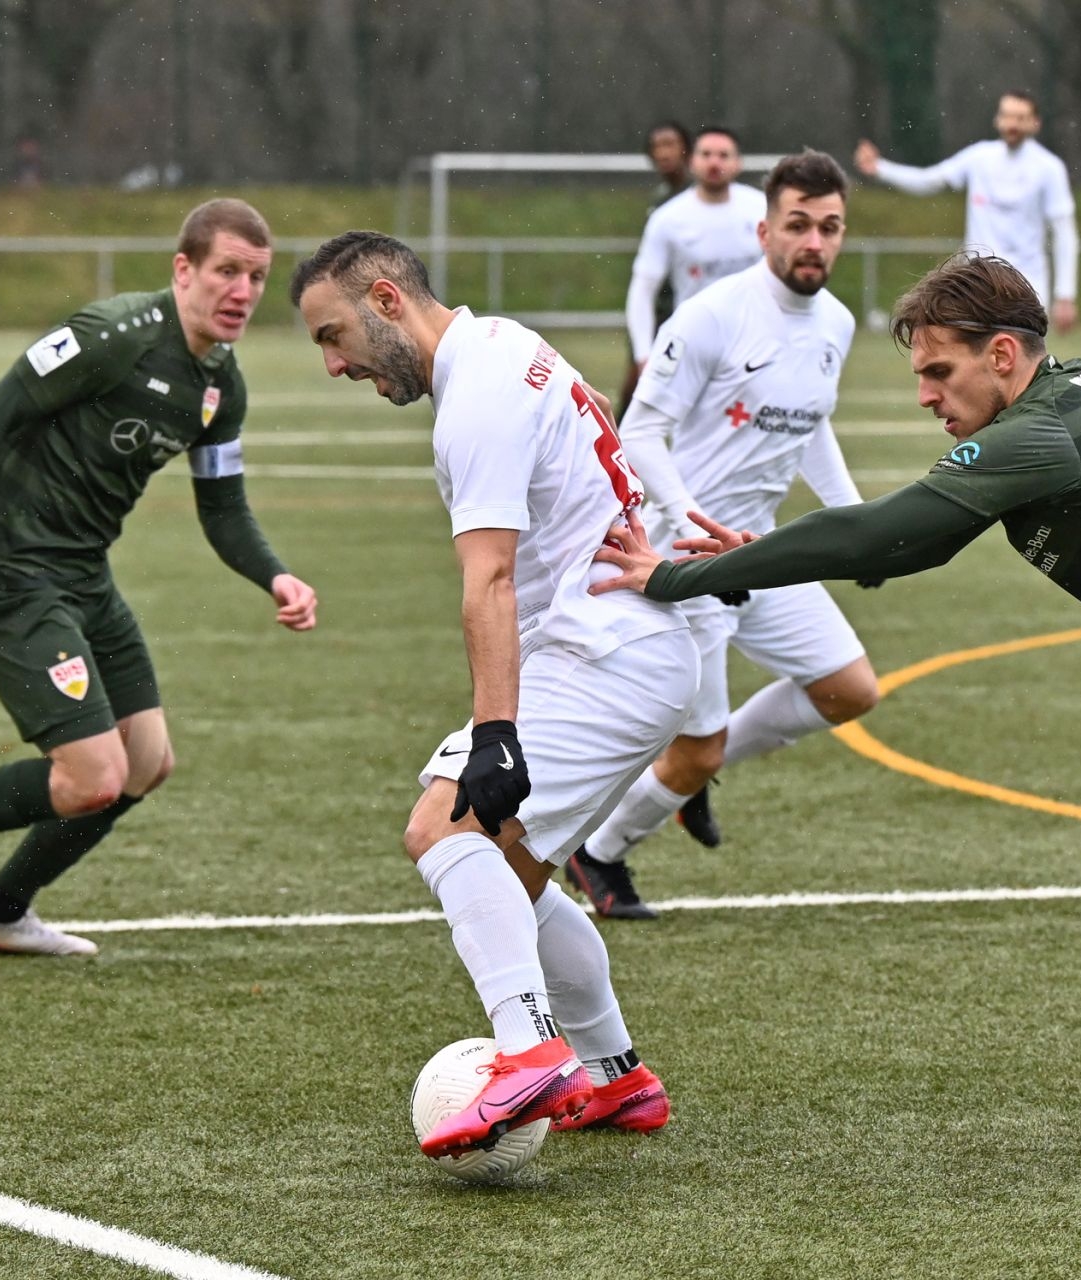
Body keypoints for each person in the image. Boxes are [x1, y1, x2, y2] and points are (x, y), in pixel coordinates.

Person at [591, 252, 1081, 1155]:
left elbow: (890, 538)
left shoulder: (1042, 433)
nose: (925, 396)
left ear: (1006, 356)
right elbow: (891, 547)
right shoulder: (1057, 409)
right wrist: (758, 555)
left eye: (940, 371)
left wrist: (680, 575)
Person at [290, 230, 699, 1149]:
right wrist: (672, 524)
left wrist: (495, 733)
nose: (332, 365)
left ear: (387, 300)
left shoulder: (473, 394)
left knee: (443, 826)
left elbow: (492, 580)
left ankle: (529, 1055)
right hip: (629, 648)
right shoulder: (508, 343)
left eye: (332, 335)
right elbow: (599, 436)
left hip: (603, 653)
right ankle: (616, 1077)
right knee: (513, 871)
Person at [0, 198, 319, 957]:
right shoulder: (113, 337)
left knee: (147, 764)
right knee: (91, 776)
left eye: (258, 277)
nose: (242, 291)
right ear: (184, 271)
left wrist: (275, 577)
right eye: (227, 271)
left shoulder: (221, 389)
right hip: (11, 569)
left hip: (83, 575)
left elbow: (225, 507)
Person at [566, 149, 881, 920]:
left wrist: (857, 523)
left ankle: (692, 778)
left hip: (761, 550)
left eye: (830, 228)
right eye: (798, 225)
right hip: (691, 557)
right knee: (692, 748)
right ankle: (599, 850)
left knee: (849, 689)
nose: (815, 242)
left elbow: (808, 427)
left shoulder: (834, 323)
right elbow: (640, 433)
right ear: (764, 228)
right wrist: (689, 526)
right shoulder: (713, 315)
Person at [855, 91, 1079, 333]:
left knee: (1021, 362)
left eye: (1020, 117)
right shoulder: (980, 158)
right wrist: (880, 169)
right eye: (1006, 116)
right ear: (997, 119)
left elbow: (1064, 232)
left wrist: (1065, 295)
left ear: (1035, 122)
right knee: (973, 361)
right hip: (978, 283)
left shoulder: (1049, 168)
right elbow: (930, 180)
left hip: (1027, 285)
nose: (1012, 124)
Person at [625, 126, 768, 379]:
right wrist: (643, 355)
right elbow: (643, 289)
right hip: (691, 347)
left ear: (738, 163)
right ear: (692, 161)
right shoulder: (667, 218)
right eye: (706, 154)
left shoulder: (762, 209)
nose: (714, 162)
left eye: (724, 155)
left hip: (755, 345)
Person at [617, 120, 694, 415]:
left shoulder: (697, 194)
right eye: (656, 147)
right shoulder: (661, 197)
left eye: (669, 144)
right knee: (636, 386)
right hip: (656, 308)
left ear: (686, 148)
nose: (663, 153)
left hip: (684, 309)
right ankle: (620, 454)